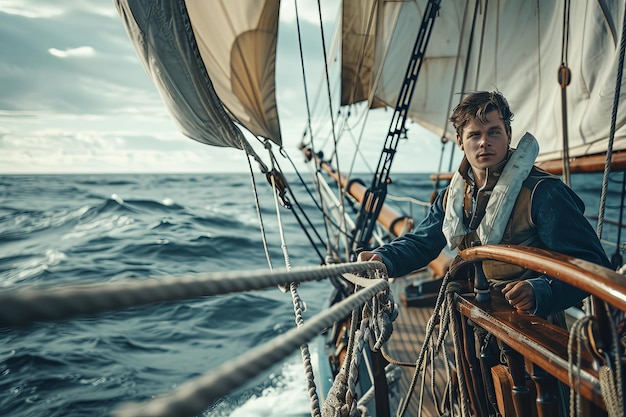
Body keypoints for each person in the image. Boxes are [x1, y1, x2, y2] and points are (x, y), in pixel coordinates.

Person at [358, 90, 612, 319]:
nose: (484, 142)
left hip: (534, 326)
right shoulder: (453, 197)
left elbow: (593, 264)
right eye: (474, 135)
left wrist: (541, 291)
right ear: (460, 140)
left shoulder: (543, 192)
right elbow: (423, 242)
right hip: (475, 319)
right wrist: (383, 258)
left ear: (508, 134)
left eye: (493, 132)